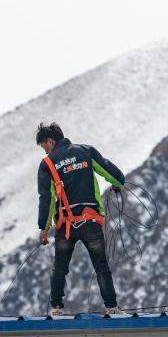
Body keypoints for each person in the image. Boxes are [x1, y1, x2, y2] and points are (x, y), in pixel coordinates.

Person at [35, 122, 124, 316]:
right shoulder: (86, 151)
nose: (45, 151)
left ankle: (56, 308)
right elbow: (109, 171)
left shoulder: (48, 164)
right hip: (89, 221)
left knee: (60, 268)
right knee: (101, 265)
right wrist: (118, 183)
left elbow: (47, 198)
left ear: (50, 141)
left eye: (44, 146)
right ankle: (112, 307)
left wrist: (44, 227)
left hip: (66, 225)